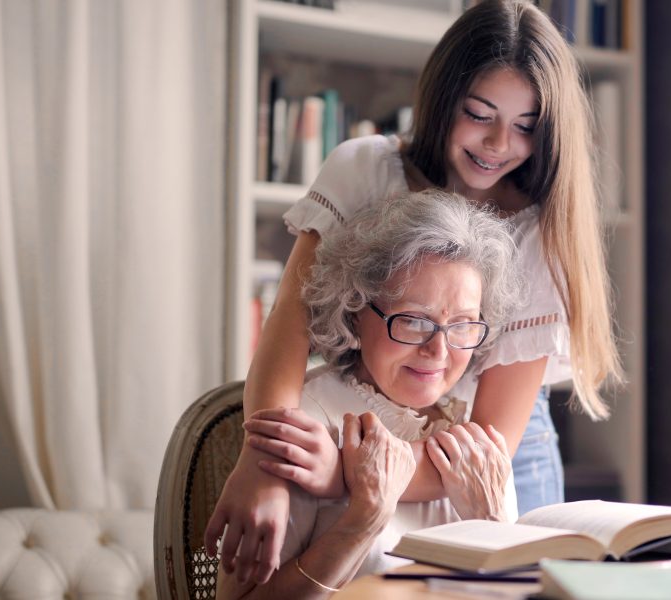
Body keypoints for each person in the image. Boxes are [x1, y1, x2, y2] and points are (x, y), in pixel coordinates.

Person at [206, 0, 623, 584]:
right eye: (480, 113)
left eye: (526, 126)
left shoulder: (538, 231)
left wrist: (339, 476)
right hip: (366, 421)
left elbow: (493, 439)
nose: (499, 143)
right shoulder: (365, 171)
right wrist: (265, 464)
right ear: (442, 99)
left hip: (492, 452)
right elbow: (288, 328)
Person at [215, 191, 519, 599]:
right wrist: (361, 523)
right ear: (355, 311)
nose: (439, 351)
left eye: (464, 324)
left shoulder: (476, 443)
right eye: (413, 321)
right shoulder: (306, 426)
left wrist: (493, 526)